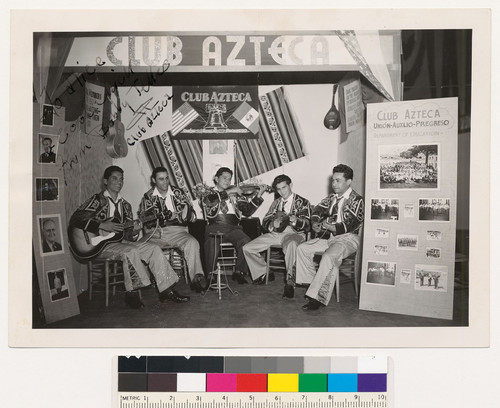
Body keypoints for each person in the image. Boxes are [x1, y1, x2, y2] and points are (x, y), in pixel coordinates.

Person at [69, 165, 190, 309]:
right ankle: (131, 293)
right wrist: (100, 225)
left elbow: (127, 236)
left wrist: (134, 231)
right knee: (130, 251)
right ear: (105, 181)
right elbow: (76, 218)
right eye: (114, 178)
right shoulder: (98, 200)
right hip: (96, 245)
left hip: (119, 242)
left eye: (121, 179)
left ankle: (166, 290)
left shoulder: (126, 205)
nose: (118, 182)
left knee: (154, 248)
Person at [295, 164, 364, 311]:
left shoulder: (357, 200)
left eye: (338, 180)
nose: (333, 184)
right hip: (332, 238)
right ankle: (312, 284)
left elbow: (349, 225)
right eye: (333, 180)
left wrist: (328, 226)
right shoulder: (332, 198)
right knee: (302, 248)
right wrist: (315, 223)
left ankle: (316, 297)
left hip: (348, 239)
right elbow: (317, 209)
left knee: (328, 257)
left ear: (349, 182)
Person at [138, 167, 207, 293]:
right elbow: (145, 220)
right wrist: (165, 218)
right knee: (138, 247)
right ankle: (148, 281)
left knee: (192, 243)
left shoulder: (178, 193)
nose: (165, 182)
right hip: (156, 233)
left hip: (178, 232)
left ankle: (196, 280)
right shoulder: (148, 197)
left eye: (167, 178)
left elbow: (192, 214)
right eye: (161, 179)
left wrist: (189, 216)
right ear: (154, 180)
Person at [243, 174, 310, 290]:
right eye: (278, 189)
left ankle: (290, 280)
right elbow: (265, 221)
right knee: (248, 248)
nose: (282, 192)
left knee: (292, 245)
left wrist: (296, 221)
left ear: (291, 185)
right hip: (276, 234)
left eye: (284, 187)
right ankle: (264, 272)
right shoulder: (276, 203)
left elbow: (308, 225)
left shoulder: (302, 202)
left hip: (294, 234)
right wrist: (272, 225)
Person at [201, 167, 265, 284]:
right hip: (214, 227)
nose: (227, 181)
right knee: (211, 243)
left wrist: (258, 196)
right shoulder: (208, 192)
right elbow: (209, 201)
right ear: (216, 178)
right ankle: (211, 274)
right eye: (224, 178)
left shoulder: (236, 194)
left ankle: (239, 272)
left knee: (246, 241)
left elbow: (247, 211)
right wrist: (228, 192)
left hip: (233, 227)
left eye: (229, 179)